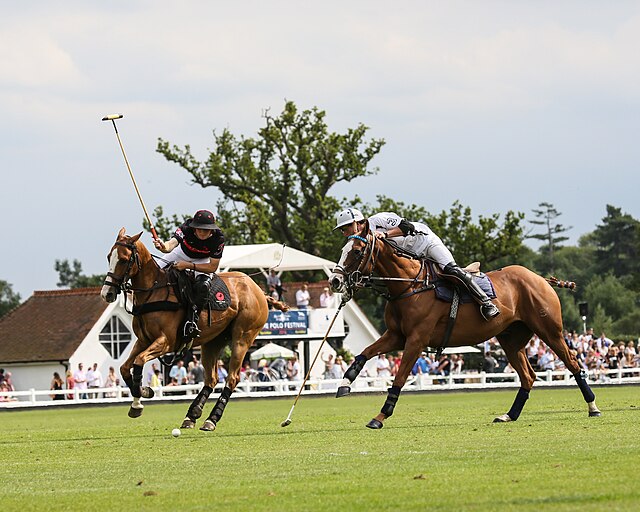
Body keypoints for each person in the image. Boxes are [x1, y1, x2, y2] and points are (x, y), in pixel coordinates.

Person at [334, 208, 499, 320]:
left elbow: (407, 227)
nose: (344, 233)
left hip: (426, 243)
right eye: (342, 230)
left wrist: (385, 234)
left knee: (451, 269)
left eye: (345, 228)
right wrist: (350, 290)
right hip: (414, 257)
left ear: (357, 223)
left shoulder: (378, 219)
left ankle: (486, 302)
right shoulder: (364, 243)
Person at [153, 209, 225, 337]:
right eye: (199, 229)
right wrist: (163, 247)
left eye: (206, 230)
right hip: (181, 253)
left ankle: (192, 321)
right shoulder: (186, 228)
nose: (202, 232)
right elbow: (170, 246)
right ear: (194, 227)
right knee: (155, 272)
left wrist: (187, 266)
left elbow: (212, 267)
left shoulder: (218, 239)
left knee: (203, 286)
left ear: (212, 230)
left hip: (203, 260)